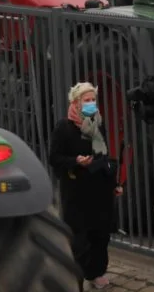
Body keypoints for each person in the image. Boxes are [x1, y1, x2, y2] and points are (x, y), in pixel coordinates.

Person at [49, 82, 122, 289]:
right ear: (76, 102)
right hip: (76, 191)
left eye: (93, 100)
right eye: (86, 100)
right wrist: (76, 161)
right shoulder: (64, 127)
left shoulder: (98, 123)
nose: (91, 104)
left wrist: (114, 183)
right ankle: (76, 276)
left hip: (100, 189)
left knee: (100, 235)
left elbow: (104, 155)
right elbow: (54, 158)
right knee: (79, 238)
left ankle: (96, 272)